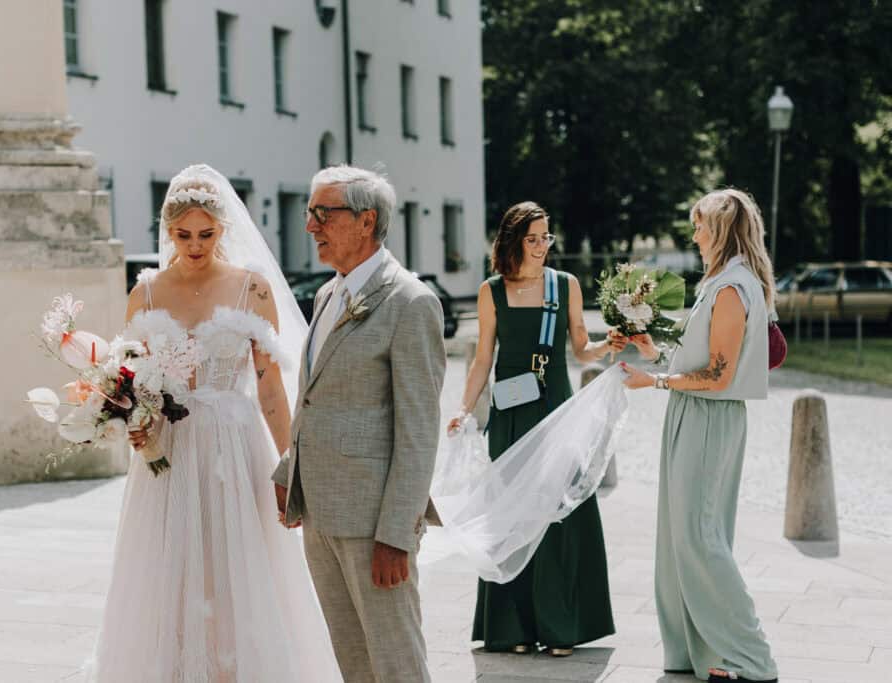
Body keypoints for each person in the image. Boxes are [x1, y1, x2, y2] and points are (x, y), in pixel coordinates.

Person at [88, 165, 341, 682]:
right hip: (170, 448)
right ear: (168, 232)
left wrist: (291, 458)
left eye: (206, 234)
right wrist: (136, 424)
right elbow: (135, 385)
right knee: (171, 568)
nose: (195, 245)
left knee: (240, 567)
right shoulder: (147, 294)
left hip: (236, 444)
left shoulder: (253, 288)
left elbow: (270, 389)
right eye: (183, 236)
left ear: (223, 229)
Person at [272, 165, 446, 682]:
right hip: (321, 513)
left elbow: (420, 432)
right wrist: (289, 471)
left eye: (323, 214)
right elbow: (316, 397)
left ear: (365, 221)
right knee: (353, 663)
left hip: (375, 526)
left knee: (397, 663)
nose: (310, 226)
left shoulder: (410, 303)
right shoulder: (328, 295)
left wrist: (397, 533)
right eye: (311, 213)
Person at [447, 201, 621, 656]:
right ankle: (512, 629)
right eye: (534, 238)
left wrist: (610, 345)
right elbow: (484, 357)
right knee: (509, 517)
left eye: (547, 237)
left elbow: (581, 348)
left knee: (560, 515)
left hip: (555, 413)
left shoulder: (565, 286)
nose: (543, 245)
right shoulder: (492, 291)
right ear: (512, 241)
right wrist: (464, 409)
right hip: (509, 417)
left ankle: (563, 627)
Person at [621, 188, 779, 683]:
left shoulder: (733, 289)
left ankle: (753, 659)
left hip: (710, 416)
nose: (694, 235)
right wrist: (654, 352)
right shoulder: (717, 284)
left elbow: (718, 376)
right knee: (680, 537)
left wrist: (657, 380)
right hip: (693, 413)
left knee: (700, 537)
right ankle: (699, 651)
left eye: (700, 226)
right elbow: (698, 359)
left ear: (722, 232)